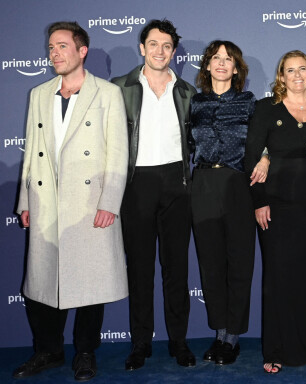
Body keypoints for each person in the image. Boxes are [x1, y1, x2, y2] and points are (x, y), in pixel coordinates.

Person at [13, 21, 128, 381]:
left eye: (62, 46)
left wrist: (110, 201)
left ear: (82, 51)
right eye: (50, 47)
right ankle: (47, 351)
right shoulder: (39, 93)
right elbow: (32, 151)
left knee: (89, 282)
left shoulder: (106, 93)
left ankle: (85, 353)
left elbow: (117, 153)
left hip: (90, 202)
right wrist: (24, 200)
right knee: (42, 282)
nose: (55, 54)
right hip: (47, 200)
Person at [111, 19, 197, 370]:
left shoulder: (188, 91)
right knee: (141, 271)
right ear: (142, 48)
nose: (160, 51)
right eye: (153, 44)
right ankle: (140, 344)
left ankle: (179, 342)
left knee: (177, 270)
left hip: (177, 183)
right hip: (137, 185)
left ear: (173, 52)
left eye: (167, 46)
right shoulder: (119, 88)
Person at [245, 50, 306, 373]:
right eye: (290, 70)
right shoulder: (266, 109)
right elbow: (251, 159)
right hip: (277, 203)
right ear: (281, 77)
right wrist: (259, 199)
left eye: (302, 69)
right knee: (278, 277)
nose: (297, 75)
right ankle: (276, 348)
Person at [189, 40, 268, 366]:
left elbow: (267, 140)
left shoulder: (250, 102)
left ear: (237, 68)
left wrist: (266, 157)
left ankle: (233, 337)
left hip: (238, 184)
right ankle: (219, 331)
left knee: (238, 264)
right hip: (203, 185)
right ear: (207, 66)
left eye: (228, 59)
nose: (222, 63)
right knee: (210, 265)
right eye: (216, 58)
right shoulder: (194, 103)